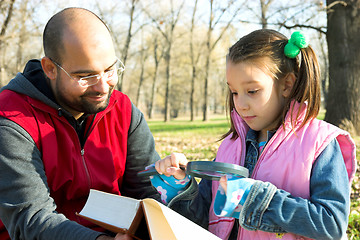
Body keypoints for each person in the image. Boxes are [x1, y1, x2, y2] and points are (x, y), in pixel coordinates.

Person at [150, 29, 357, 239]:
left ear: (286, 84)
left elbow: (331, 224)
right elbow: (205, 220)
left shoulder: (319, 144)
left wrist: (257, 200)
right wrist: (182, 186)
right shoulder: (230, 148)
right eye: (234, 92)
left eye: (252, 91)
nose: (240, 104)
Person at [0, 7, 161, 240]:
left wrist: (178, 188)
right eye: (86, 76)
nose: (103, 87)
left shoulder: (123, 110)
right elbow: (31, 220)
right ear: (50, 69)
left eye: (109, 70)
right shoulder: (12, 120)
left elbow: (148, 194)